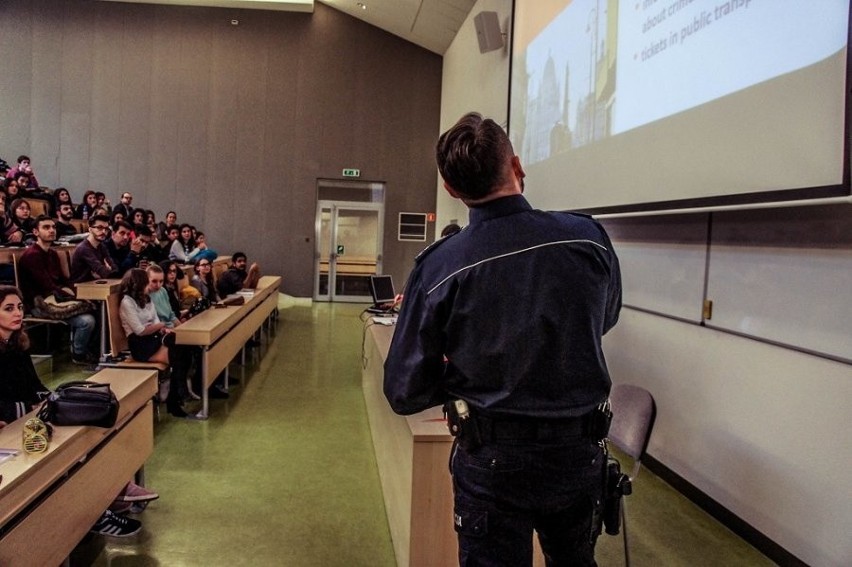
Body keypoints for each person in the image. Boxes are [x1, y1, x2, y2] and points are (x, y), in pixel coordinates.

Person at [383, 113, 623, 566]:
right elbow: (604, 319)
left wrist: (467, 373)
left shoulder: (439, 268)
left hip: (492, 457)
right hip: (578, 453)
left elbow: (403, 390)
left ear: (452, 190)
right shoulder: (588, 239)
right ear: (517, 166)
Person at [0, 285, 147, 537]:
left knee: (82, 433)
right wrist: (29, 408)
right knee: (62, 453)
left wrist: (49, 399)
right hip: (9, 423)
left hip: (26, 419)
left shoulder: (18, 343)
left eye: (20, 307)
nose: (18, 313)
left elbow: (34, 385)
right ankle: (97, 513)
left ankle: (112, 492)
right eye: (8, 309)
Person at [17, 215, 98, 364]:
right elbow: (47, 285)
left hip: (56, 298)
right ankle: (79, 354)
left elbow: (63, 281)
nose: (51, 230)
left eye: (53, 227)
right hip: (39, 303)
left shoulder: (53, 254)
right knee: (87, 321)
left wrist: (77, 293)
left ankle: (92, 350)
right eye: (46, 227)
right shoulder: (31, 256)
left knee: (96, 307)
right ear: (35, 232)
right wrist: (76, 298)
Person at [118, 269, 191, 418]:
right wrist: (160, 326)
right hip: (141, 344)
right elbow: (139, 330)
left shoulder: (146, 298)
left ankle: (176, 394)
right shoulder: (127, 302)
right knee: (178, 355)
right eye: (146, 283)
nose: (149, 287)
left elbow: (156, 320)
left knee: (185, 345)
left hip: (154, 336)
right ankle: (175, 398)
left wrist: (162, 328)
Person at [70, 214, 117, 283]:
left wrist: (109, 271)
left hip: (95, 284)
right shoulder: (83, 248)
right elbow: (102, 271)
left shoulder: (102, 246)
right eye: (99, 228)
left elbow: (114, 267)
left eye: (106, 229)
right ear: (90, 229)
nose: (104, 232)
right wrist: (107, 271)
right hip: (80, 286)